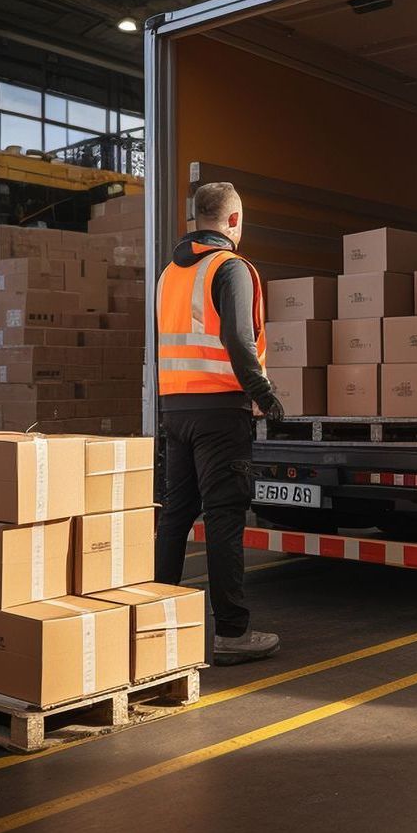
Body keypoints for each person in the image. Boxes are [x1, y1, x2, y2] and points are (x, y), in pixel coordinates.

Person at [154, 181, 284, 665]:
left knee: (175, 516)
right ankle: (232, 633)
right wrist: (264, 395)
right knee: (225, 518)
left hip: (176, 411)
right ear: (233, 221)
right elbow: (237, 337)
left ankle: (153, 623)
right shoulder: (231, 268)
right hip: (220, 412)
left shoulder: (168, 274)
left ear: (196, 218)